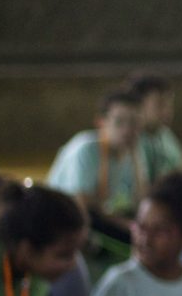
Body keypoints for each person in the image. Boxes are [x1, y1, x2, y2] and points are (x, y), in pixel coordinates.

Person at [47, 90, 147, 222]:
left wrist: (135, 158)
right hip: (63, 220)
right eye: (119, 122)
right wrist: (126, 226)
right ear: (101, 122)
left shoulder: (133, 151)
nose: (127, 130)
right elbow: (82, 207)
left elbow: (141, 201)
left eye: (134, 122)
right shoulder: (86, 150)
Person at [126, 73, 182, 182]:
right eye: (160, 104)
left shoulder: (167, 137)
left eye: (169, 104)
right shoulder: (127, 140)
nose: (167, 111)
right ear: (138, 105)